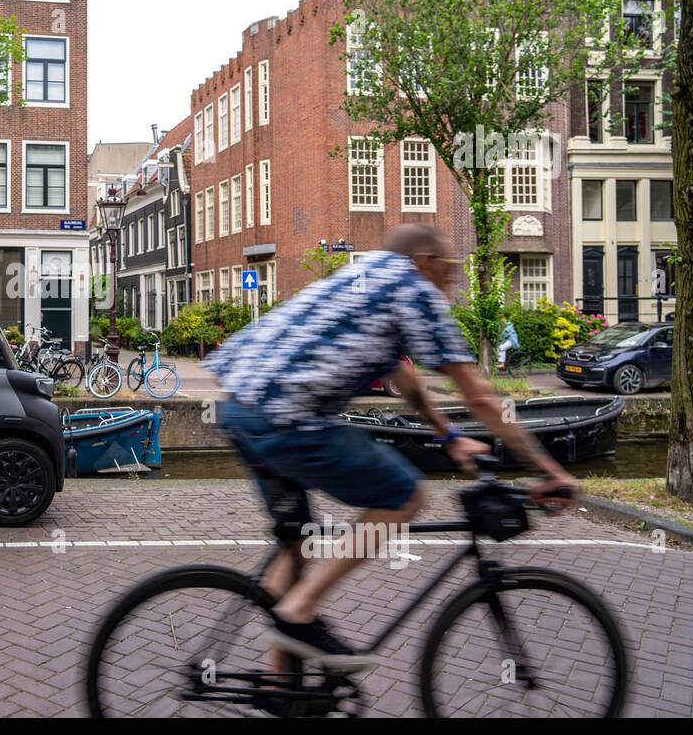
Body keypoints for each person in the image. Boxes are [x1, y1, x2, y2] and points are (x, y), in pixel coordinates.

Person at [204, 224, 578, 671]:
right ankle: (299, 612)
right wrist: (548, 469)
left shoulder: (361, 278)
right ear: (424, 261)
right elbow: (477, 395)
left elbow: (407, 381)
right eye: (451, 269)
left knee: (297, 546)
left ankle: (282, 690)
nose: (453, 280)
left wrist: (449, 436)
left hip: (240, 410)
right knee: (406, 495)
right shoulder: (412, 290)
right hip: (289, 416)